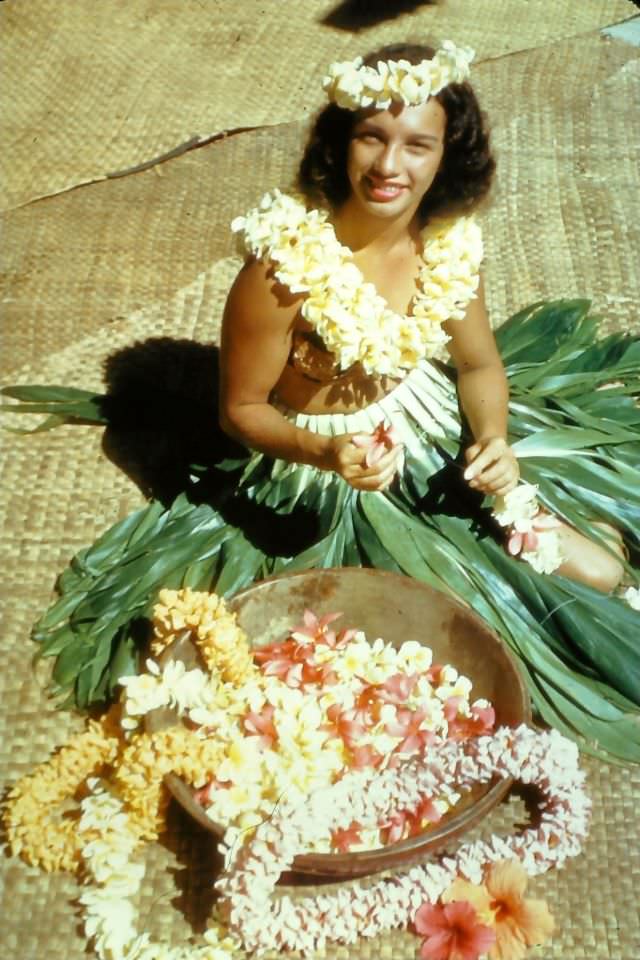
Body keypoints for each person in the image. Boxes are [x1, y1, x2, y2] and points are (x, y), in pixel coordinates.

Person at [7, 42, 639, 762]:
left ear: (446, 156)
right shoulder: (281, 268)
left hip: (424, 415)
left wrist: (492, 437)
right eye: (371, 136)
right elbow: (241, 411)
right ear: (340, 141)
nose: (389, 166)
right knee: (446, 623)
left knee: (599, 567)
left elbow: (478, 363)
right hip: (318, 458)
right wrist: (327, 452)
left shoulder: (449, 245)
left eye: (416, 145)